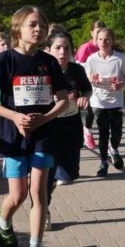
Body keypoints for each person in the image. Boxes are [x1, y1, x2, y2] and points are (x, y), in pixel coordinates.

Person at [0, 6, 69, 247]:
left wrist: (45, 118)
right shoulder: (4, 60)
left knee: (39, 193)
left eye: (42, 25)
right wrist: (15, 118)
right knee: (17, 195)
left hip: (43, 135)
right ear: (18, 28)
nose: (38, 29)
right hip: (13, 136)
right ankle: (3, 221)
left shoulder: (49, 61)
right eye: (33, 24)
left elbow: (64, 100)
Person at [45, 30, 91, 230]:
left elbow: (87, 88)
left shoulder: (76, 70)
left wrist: (84, 96)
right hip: (50, 125)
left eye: (66, 48)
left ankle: (47, 189)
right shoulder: (43, 70)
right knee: (49, 169)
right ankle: (43, 208)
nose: (62, 52)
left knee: (69, 174)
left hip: (72, 125)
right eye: (57, 48)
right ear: (48, 49)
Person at [84, 27, 125, 177]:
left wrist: (121, 84)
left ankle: (114, 149)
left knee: (117, 132)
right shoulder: (91, 59)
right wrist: (90, 79)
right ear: (96, 41)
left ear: (112, 41)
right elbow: (86, 78)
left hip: (116, 101)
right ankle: (103, 162)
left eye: (106, 39)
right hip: (98, 102)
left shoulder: (119, 58)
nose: (103, 42)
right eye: (100, 39)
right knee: (103, 133)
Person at [75, 20, 106, 150]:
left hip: (100, 84)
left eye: (102, 31)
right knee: (90, 109)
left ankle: (88, 130)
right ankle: (86, 132)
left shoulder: (104, 46)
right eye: (97, 31)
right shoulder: (86, 48)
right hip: (87, 84)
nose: (99, 34)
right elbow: (78, 66)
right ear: (92, 32)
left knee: (98, 110)